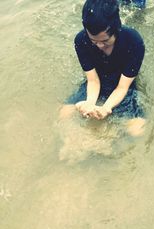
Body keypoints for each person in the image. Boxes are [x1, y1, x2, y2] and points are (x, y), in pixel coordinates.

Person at [60, 0, 146, 136]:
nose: (99, 45)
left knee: (137, 131)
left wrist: (106, 108)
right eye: (94, 41)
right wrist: (89, 103)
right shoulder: (81, 40)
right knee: (64, 113)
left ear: (116, 30)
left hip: (124, 84)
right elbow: (93, 80)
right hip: (98, 80)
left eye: (105, 41)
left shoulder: (134, 41)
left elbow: (123, 87)